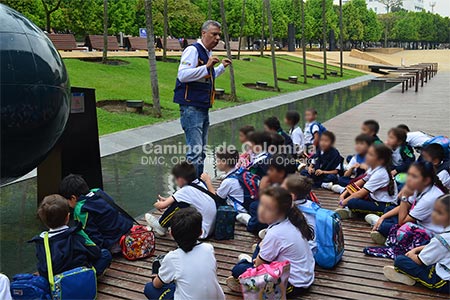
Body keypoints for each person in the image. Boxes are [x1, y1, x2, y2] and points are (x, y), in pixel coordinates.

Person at [226, 186, 315, 297]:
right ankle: (256, 258)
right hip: (305, 277)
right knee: (261, 244)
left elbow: (259, 266)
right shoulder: (292, 221)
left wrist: (256, 262)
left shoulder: (276, 233)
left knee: (238, 269)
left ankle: (248, 271)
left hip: (292, 286)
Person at [173, 20, 232, 176]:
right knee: (195, 152)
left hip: (202, 107)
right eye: (214, 34)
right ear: (204, 33)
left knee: (201, 151)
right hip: (191, 108)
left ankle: (197, 185)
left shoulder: (207, 52)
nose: (217, 38)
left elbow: (206, 76)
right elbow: (183, 75)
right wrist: (206, 66)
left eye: (219, 34)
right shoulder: (192, 50)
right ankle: (191, 189)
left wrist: (219, 68)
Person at [363, 162, 447, 258]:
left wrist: (404, 197)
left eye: (414, 176)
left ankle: (381, 227)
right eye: (409, 175)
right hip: (418, 223)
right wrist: (383, 217)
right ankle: (383, 228)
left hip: (429, 237)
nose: (409, 179)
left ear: (426, 180)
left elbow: (402, 223)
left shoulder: (429, 198)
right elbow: (406, 207)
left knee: (386, 226)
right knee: (389, 210)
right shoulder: (421, 188)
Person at [144, 208, 225, 300]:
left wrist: (157, 276)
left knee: (149, 288)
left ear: (171, 234)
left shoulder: (173, 258)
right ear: (201, 232)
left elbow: (156, 285)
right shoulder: (208, 248)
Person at [30, 194, 112, 279]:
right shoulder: (76, 234)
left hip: (57, 283)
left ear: (44, 221)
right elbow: (95, 252)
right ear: (68, 217)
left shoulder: (42, 241)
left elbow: (42, 267)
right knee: (105, 254)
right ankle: (92, 278)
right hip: (82, 278)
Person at [383, 195, 450, 294]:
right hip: (444, 268)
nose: (434, 215)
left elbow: (419, 261)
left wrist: (412, 253)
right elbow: (443, 246)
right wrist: (420, 248)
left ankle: (410, 277)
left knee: (400, 261)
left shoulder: (441, 239)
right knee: (428, 250)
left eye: (439, 213)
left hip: (442, 282)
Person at [59, 174, 133, 252]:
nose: (68, 205)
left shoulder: (81, 209)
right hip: (127, 231)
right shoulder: (98, 192)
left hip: (114, 243)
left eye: (67, 201)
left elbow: (92, 235)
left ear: (73, 198)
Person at [145, 162, 217, 239]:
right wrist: (168, 200)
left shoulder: (185, 190)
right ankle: (164, 226)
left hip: (200, 232)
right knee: (180, 202)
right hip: (209, 228)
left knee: (180, 205)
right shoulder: (199, 184)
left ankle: (161, 225)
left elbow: (162, 206)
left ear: (180, 179)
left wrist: (157, 204)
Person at [335, 144, 398, 219]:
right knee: (349, 191)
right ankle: (356, 212)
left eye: (371, 155)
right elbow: (356, 184)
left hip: (385, 206)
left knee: (353, 202)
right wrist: (343, 195)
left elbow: (360, 194)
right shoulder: (373, 168)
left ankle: (356, 213)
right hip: (373, 199)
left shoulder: (381, 173)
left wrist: (343, 203)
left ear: (380, 160)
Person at [245, 154, 296, 235]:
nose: (268, 172)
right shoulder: (293, 183)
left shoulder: (286, 193)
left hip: (283, 226)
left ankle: (253, 224)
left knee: (254, 207)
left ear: (281, 173)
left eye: (271, 170)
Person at [201, 147, 247, 214]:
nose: (216, 163)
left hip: (240, 210)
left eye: (217, 160)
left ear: (224, 162)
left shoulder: (228, 181)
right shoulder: (240, 172)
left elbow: (216, 199)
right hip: (246, 205)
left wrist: (207, 181)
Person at [282, 174, 317, 254]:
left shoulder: (294, 212)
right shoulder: (311, 204)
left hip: (306, 252)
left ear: (292, 196)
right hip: (314, 246)